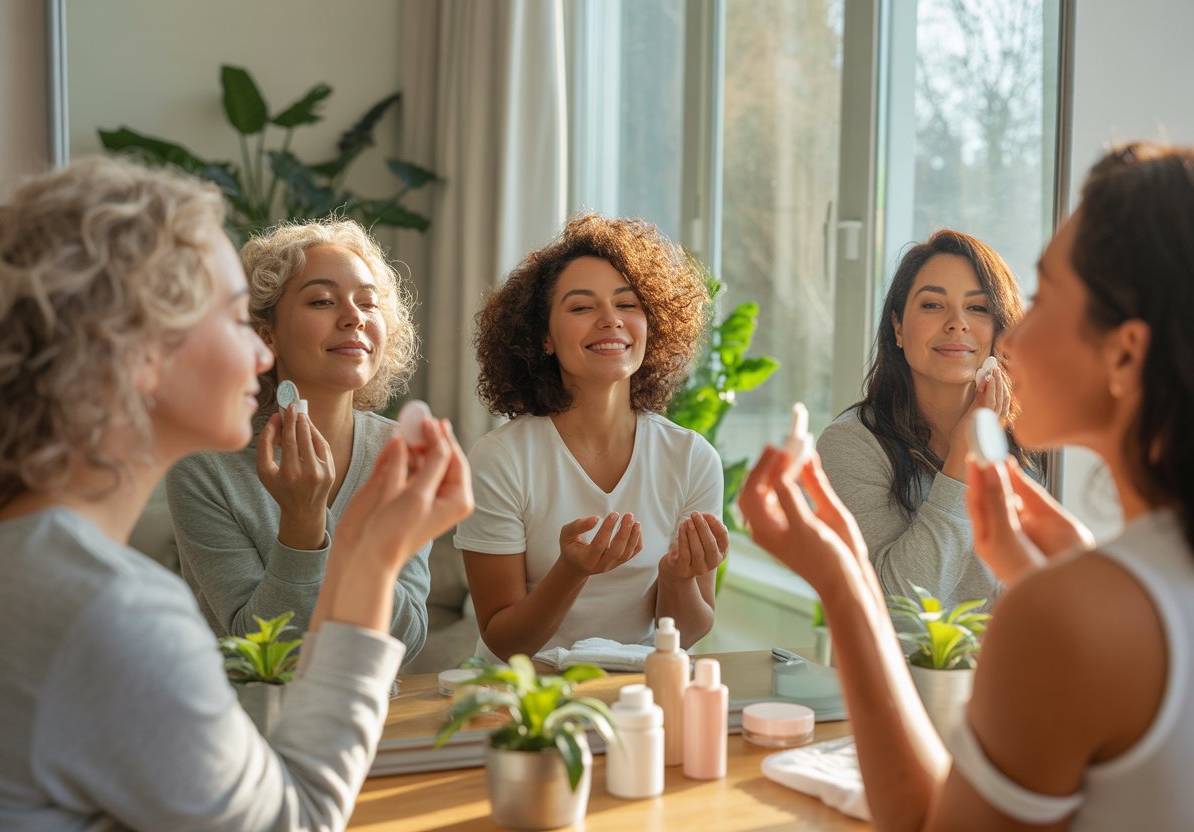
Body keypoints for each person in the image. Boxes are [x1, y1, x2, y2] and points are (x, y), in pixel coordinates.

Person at [0, 158, 473, 829]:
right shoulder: (110, 611)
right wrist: (369, 554)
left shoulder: (20, 561)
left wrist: (360, 541)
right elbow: (293, 821)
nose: (263, 356)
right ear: (136, 349)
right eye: (239, 319)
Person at [740, 142, 1194, 829]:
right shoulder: (1134, 574)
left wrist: (843, 584)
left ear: (1126, 352)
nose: (1001, 337)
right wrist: (1062, 565)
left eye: (1038, 298)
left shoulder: (1067, 610)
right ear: (897, 327)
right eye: (935, 306)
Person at [455, 213, 727, 661]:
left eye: (627, 305)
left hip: (638, 691)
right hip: (527, 698)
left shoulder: (691, 457)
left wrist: (678, 578)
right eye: (582, 307)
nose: (610, 321)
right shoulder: (500, 459)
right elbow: (503, 640)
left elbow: (689, 632)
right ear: (544, 336)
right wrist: (570, 571)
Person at [167, 218, 432, 660]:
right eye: (323, 301)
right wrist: (302, 528)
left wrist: (350, 543)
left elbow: (406, 642)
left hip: (373, 718)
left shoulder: (403, 454)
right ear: (266, 334)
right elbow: (263, 652)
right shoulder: (204, 467)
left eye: (368, 304)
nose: (354, 318)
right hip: (251, 722)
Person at [816, 229, 1032, 610]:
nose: (957, 323)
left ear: (1000, 330)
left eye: (978, 308)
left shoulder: (1033, 438)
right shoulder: (851, 444)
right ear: (898, 328)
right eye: (933, 305)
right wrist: (962, 463)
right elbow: (896, 610)